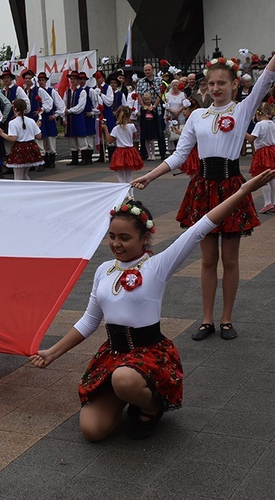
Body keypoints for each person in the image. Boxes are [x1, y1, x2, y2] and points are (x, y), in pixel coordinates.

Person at [29, 170, 275, 441]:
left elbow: (201, 226)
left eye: (125, 238)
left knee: (124, 379)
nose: (116, 244)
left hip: (148, 355)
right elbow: (89, 321)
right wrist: (53, 352)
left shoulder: (157, 266)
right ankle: (127, 396)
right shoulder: (103, 270)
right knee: (92, 431)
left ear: (144, 238)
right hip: (113, 355)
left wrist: (242, 192)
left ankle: (151, 406)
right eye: (112, 236)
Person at [133, 55, 275, 341]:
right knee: (208, 259)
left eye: (222, 82)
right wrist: (151, 175)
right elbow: (180, 154)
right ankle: (207, 319)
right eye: (211, 83)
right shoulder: (197, 116)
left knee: (230, 260)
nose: (216, 87)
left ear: (235, 84)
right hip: (203, 188)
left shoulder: (243, 109)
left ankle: (226, 319)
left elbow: (265, 80)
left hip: (232, 188)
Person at [0, 98, 42, 180]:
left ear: (14, 108)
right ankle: (29, 190)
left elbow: (13, 138)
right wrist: (36, 127)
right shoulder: (31, 121)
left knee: (18, 176)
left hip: (20, 149)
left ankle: (20, 191)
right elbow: (39, 136)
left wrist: (1, 134)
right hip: (31, 147)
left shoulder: (13, 122)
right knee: (25, 175)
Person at [102, 106, 143, 193]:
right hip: (130, 151)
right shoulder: (132, 126)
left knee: (120, 175)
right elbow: (134, 137)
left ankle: (124, 194)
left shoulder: (116, 129)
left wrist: (105, 130)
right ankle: (131, 195)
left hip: (120, 151)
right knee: (129, 175)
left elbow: (110, 140)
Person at [246, 102, 275, 213]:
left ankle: (267, 202)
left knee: (264, 177)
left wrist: (242, 131)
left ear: (258, 114)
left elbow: (251, 139)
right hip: (273, 150)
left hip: (263, 152)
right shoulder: (272, 123)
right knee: (272, 177)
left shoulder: (260, 125)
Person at [136, 64, 166, 160]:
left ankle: (163, 153)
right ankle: (144, 153)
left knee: (159, 132)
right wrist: (144, 106)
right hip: (145, 109)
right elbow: (139, 95)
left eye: (149, 70)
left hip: (156, 108)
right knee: (144, 132)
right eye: (146, 70)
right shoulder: (141, 82)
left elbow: (160, 94)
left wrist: (154, 106)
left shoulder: (158, 80)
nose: (147, 72)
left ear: (153, 70)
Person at [38, 72, 65, 169]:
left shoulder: (51, 91)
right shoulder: (37, 91)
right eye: (39, 80)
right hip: (41, 118)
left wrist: (56, 115)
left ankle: (52, 159)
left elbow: (60, 104)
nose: (41, 82)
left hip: (49, 117)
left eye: (43, 80)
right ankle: (45, 159)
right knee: (43, 140)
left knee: (51, 139)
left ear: (46, 81)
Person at [63, 71, 88, 165]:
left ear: (78, 80)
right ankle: (74, 159)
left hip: (78, 117)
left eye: (74, 79)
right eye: (71, 79)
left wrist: (69, 111)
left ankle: (84, 159)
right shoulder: (68, 91)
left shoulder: (82, 91)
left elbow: (80, 106)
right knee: (72, 139)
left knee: (81, 138)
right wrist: (64, 118)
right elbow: (64, 104)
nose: (72, 81)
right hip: (70, 118)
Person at [139, 92, 159, 160]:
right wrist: (145, 110)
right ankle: (149, 154)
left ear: (151, 99)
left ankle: (153, 154)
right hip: (145, 125)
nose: (147, 101)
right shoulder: (142, 108)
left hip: (151, 124)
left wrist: (152, 110)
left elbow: (156, 117)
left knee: (151, 140)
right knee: (146, 140)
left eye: (148, 99)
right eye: (145, 100)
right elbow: (141, 118)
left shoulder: (153, 107)